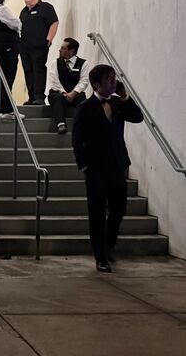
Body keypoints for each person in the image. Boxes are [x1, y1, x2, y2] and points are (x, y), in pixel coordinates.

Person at [72, 64, 143, 273]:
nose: (114, 81)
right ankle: (100, 256)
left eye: (114, 78)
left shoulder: (118, 103)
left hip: (117, 165)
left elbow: (137, 117)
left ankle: (108, 244)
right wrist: (83, 162)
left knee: (119, 207)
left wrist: (124, 97)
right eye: (109, 79)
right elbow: (77, 138)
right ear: (96, 84)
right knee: (96, 212)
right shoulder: (85, 107)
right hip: (95, 168)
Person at [19, 0, 59, 105]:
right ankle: (31, 97)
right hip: (24, 46)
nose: (27, 0)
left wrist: (49, 39)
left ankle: (39, 97)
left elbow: (54, 22)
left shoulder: (45, 7)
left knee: (38, 70)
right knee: (28, 70)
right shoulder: (24, 11)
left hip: (39, 45)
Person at [47, 38, 89, 134]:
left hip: (75, 93)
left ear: (71, 51)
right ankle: (61, 124)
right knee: (57, 98)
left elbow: (84, 81)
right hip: (58, 93)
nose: (60, 50)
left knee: (82, 98)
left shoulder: (83, 63)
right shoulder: (56, 62)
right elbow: (54, 80)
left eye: (63, 48)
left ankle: (83, 125)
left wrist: (73, 93)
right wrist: (63, 92)